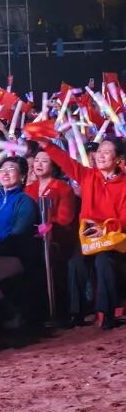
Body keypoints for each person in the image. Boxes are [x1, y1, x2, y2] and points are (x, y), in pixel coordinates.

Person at [41, 137, 126, 329]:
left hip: (113, 237)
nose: (100, 155)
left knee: (103, 262)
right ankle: (76, 313)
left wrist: (105, 228)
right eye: (99, 151)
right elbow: (66, 162)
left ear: (118, 159)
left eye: (106, 152)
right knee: (75, 262)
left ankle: (106, 313)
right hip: (88, 236)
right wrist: (48, 145)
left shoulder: (124, 184)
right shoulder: (88, 176)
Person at [0, 156, 40, 328]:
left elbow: (18, 235)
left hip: (14, 255)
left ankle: (11, 315)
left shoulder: (24, 201)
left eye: (11, 169)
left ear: (22, 176)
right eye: (2, 169)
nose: (5, 173)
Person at [25, 150, 78, 320]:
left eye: (44, 161)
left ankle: (59, 311)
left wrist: (48, 225)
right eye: (37, 160)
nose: (38, 164)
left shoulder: (63, 188)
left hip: (57, 238)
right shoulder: (28, 189)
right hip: (32, 237)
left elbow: (65, 219)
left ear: (53, 165)